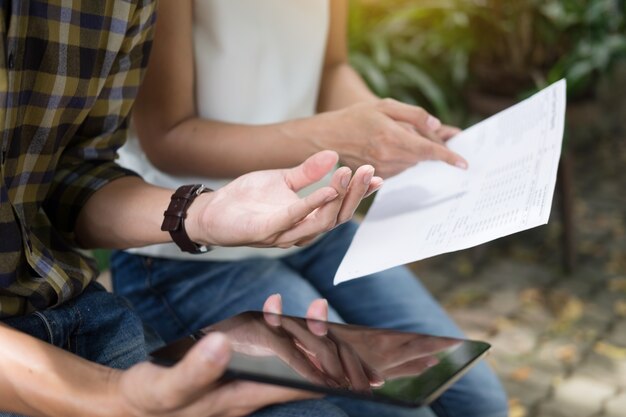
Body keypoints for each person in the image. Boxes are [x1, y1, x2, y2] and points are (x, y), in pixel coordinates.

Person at [111, 1, 509, 417]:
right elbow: (167, 136)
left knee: (479, 401)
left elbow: (331, 67)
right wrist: (328, 137)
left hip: (321, 223)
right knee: (402, 411)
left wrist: (388, 131)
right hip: (190, 253)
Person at [0, 1, 379, 416]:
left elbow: (69, 176)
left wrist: (200, 214)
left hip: (78, 309)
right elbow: (167, 133)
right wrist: (110, 396)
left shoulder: (121, 7)